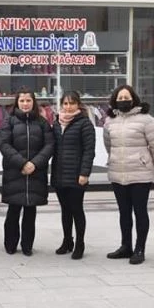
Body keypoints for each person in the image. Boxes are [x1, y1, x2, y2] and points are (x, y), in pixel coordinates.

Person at [103, 84, 154, 265]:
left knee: (140, 211)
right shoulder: (110, 121)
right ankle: (125, 246)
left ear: (133, 98)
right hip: (118, 172)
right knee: (124, 212)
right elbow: (108, 145)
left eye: (126, 97)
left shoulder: (146, 120)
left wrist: (148, 163)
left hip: (140, 174)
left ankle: (139, 248)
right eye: (119, 98)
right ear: (115, 100)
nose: (123, 101)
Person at [0, 87, 54, 256]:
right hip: (15, 172)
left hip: (36, 173)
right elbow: (4, 145)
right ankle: (10, 244)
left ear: (33, 102)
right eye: (22, 100)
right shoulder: (9, 121)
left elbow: (49, 145)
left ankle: (27, 245)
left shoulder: (42, 122)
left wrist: (34, 164)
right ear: (17, 102)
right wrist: (22, 163)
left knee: (31, 212)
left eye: (28, 100)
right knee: (13, 211)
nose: (25, 104)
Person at [50, 91, 95, 260]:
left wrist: (84, 173)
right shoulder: (56, 123)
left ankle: (80, 244)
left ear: (78, 105)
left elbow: (89, 151)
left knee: (76, 209)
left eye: (72, 103)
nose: (68, 107)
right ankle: (67, 240)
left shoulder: (84, 124)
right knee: (65, 210)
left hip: (77, 175)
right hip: (59, 174)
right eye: (66, 103)